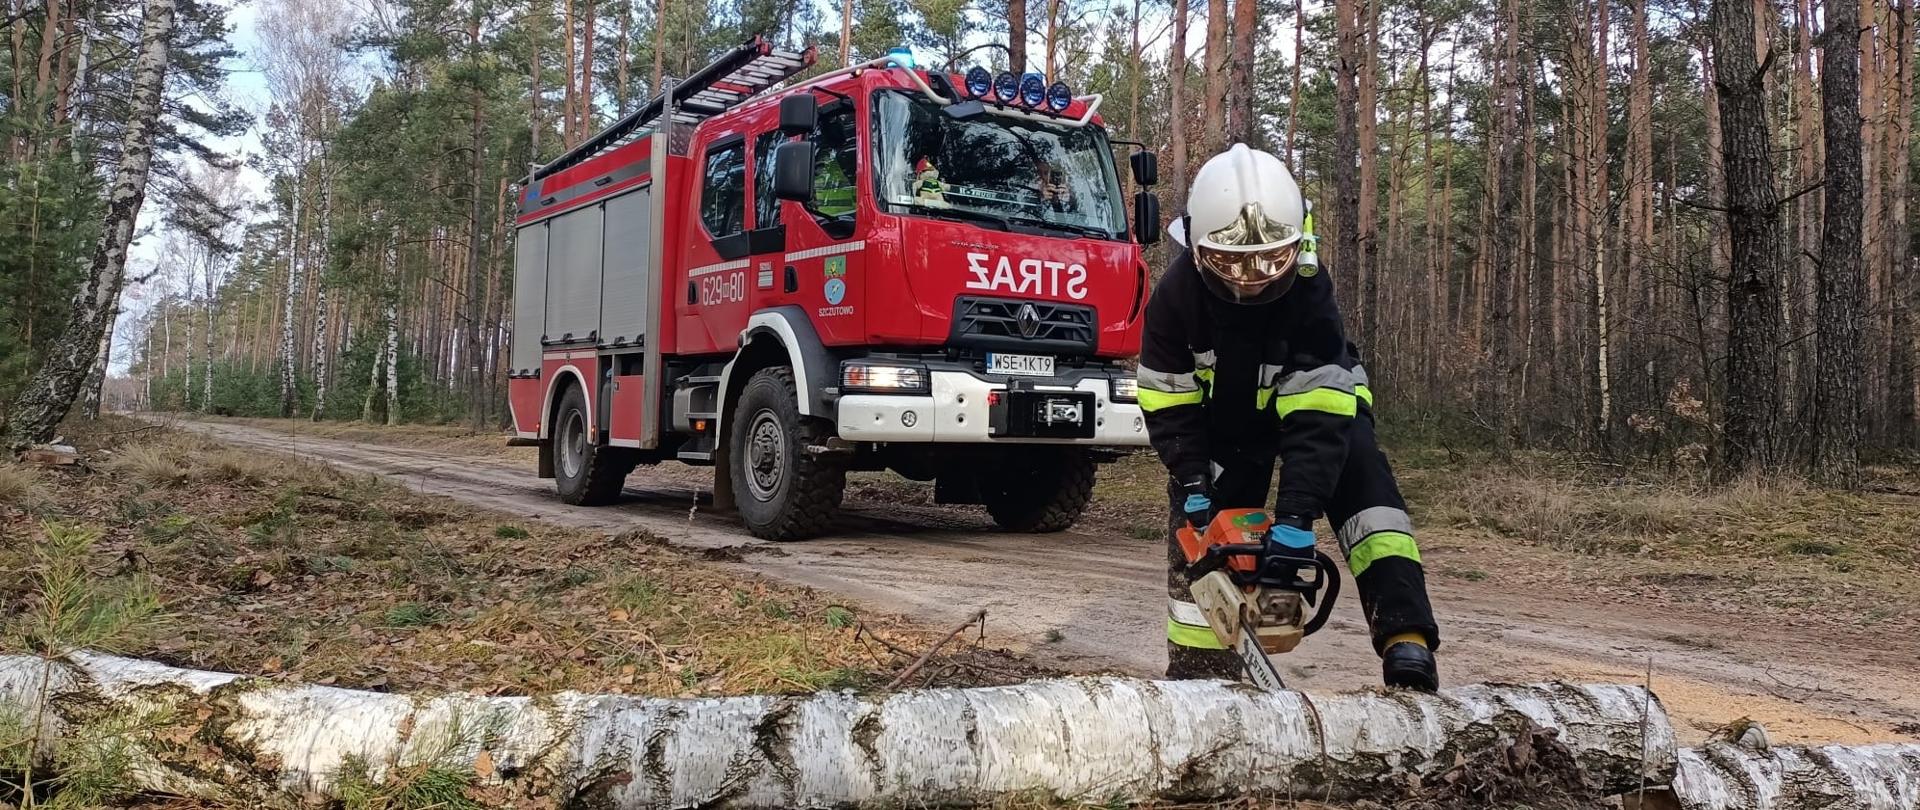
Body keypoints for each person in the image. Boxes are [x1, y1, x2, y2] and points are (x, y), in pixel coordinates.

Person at [1136, 143, 1441, 690]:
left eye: (1268, 261)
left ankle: (1407, 640)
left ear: (1296, 245)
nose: (1251, 278)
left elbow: (1319, 416)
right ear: (1200, 249)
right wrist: (1193, 480)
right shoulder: (1175, 298)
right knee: (1204, 538)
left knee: (1369, 494)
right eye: (1233, 263)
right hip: (1223, 432)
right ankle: (1199, 677)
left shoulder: (1309, 292)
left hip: (1318, 416)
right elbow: (1168, 402)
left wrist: (1297, 519)